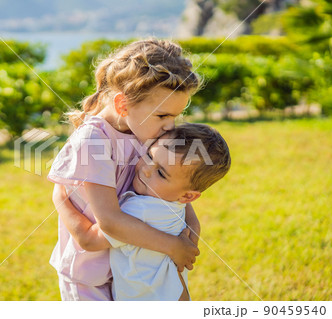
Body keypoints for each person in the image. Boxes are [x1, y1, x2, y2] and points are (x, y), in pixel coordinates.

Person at [48, 38, 201, 301]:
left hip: (132, 267)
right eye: (163, 116)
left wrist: (190, 228)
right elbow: (109, 222)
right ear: (123, 105)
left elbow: (177, 196)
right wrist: (172, 245)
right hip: (90, 275)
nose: (170, 127)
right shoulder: (94, 141)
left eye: (175, 116)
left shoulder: (147, 131)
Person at [101, 123, 231, 300]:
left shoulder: (138, 209)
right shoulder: (177, 207)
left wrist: (61, 199)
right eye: (148, 156)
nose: (146, 170)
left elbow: (88, 240)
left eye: (161, 173)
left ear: (188, 196)